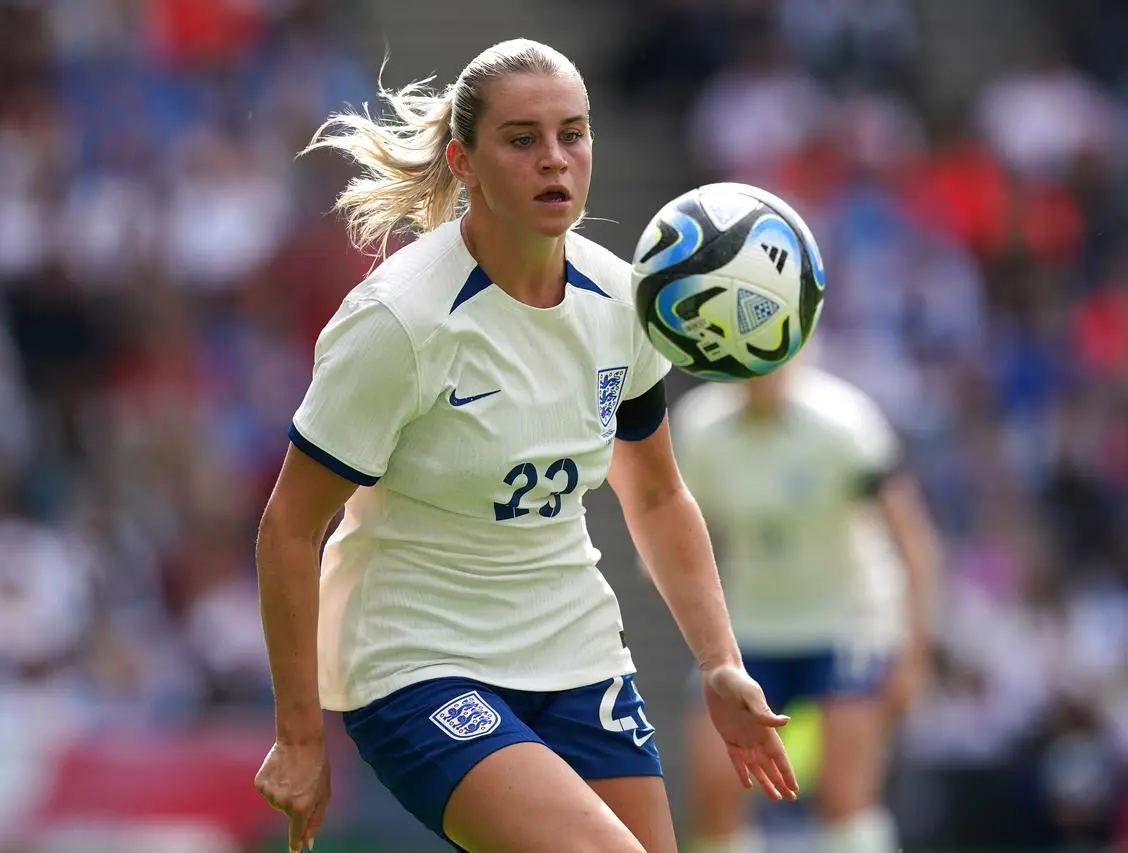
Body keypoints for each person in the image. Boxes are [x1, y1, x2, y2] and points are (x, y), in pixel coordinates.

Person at [251, 38, 798, 853]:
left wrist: (720, 661)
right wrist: (300, 735)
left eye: (572, 134)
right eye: (521, 139)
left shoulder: (622, 300)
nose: (554, 159)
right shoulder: (400, 323)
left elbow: (653, 493)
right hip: (418, 659)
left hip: (574, 647)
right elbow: (289, 527)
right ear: (462, 162)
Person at [670, 359, 943, 853]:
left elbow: (913, 542)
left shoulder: (844, 420)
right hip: (750, 627)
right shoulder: (700, 427)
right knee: (713, 793)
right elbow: (681, 525)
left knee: (844, 797)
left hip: (845, 623)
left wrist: (914, 653)